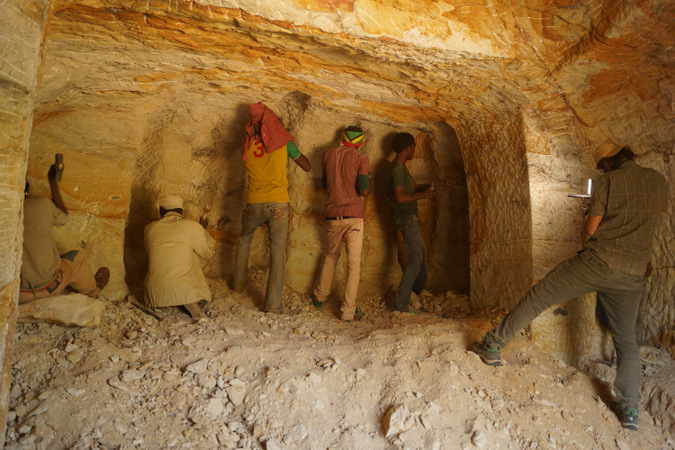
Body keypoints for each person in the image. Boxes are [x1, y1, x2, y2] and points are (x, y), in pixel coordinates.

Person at [470, 143, 667, 432]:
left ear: (609, 163)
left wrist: (587, 214)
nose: (600, 170)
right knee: (625, 341)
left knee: (539, 296)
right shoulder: (657, 181)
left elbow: (590, 229)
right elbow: (650, 218)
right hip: (633, 272)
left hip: (598, 261)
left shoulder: (608, 181)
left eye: (601, 166)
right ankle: (629, 409)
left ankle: (492, 345)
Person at [231, 102, 311, 313]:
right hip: (278, 203)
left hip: (253, 202)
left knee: (244, 239)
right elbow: (306, 166)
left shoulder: (247, 143)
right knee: (277, 252)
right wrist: (293, 149)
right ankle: (273, 305)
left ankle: (238, 286)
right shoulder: (283, 142)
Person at [20, 165, 110, 303]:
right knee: (76, 258)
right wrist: (53, 183)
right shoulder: (40, 205)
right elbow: (63, 218)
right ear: (26, 190)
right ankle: (94, 291)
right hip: (48, 287)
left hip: (18, 293)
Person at [387, 132, 455, 313]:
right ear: (407, 148)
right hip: (406, 218)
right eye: (413, 148)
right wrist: (425, 196)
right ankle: (400, 304)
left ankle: (415, 293)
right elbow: (400, 197)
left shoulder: (401, 168)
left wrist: (438, 184)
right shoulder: (396, 170)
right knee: (416, 259)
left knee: (421, 256)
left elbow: (415, 187)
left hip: (409, 218)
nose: (414, 151)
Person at [313, 126, 371, 321]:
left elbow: (324, 184)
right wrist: (368, 190)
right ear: (360, 142)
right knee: (353, 265)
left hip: (332, 215)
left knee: (330, 257)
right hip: (353, 217)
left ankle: (320, 298)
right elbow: (363, 189)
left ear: (343, 138)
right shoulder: (361, 159)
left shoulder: (327, 155)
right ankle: (347, 311)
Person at [144, 195, 215, 319]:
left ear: (161, 211)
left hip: (154, 296)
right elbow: (208, 253)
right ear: (181, 211)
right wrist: (203, 230)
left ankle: (166, 302)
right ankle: (187, 303)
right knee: (190, 250)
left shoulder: (149, 228)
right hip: (186, 293)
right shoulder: (192, 226)